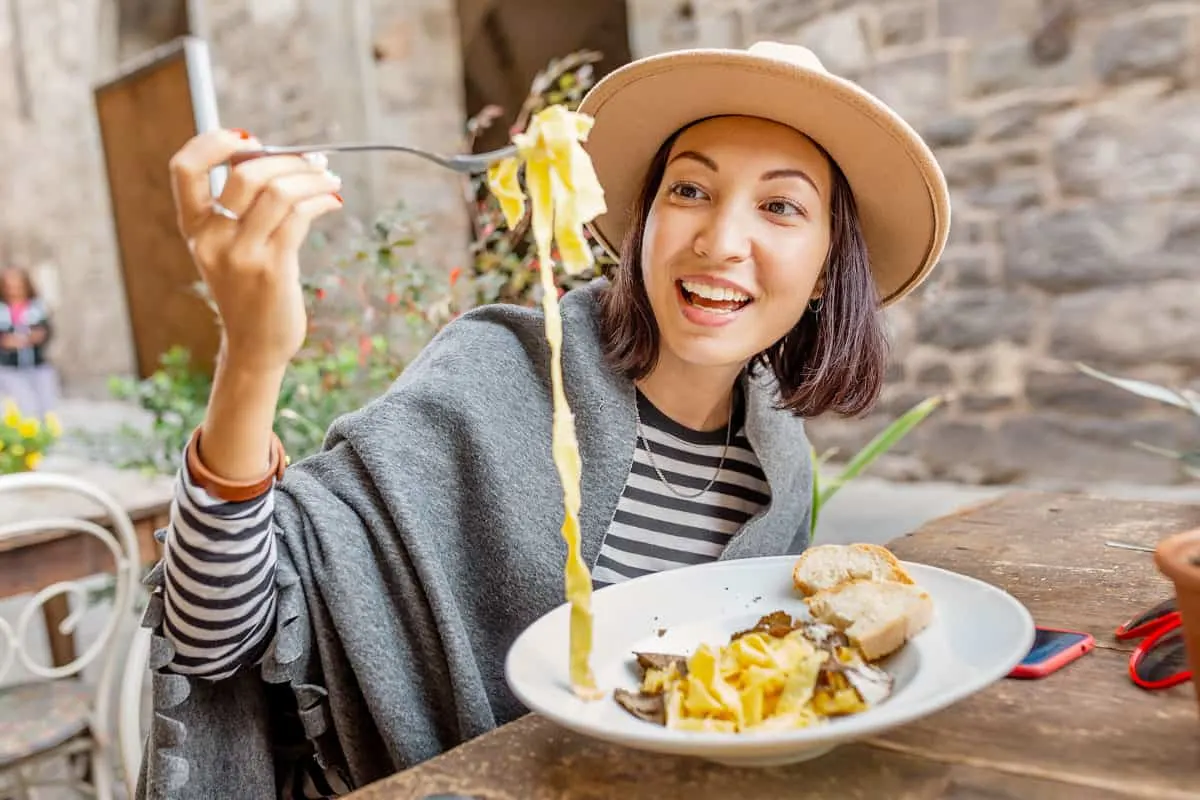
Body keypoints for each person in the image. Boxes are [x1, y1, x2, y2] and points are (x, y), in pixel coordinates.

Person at [137, 41, 949, 799]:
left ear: (822, 274)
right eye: (690, 190)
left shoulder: (778, 467)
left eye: (779, 207)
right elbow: (215, 635)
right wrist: (253, 351)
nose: (721, 239)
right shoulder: (495, 375)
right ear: (638, 227)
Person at [0, 265, 59, 419]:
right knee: (26, 407)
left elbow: (48, 331)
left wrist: (39, 336)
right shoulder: (1, 310)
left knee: (48, 408)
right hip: (10, 368)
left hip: (37, 365)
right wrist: (5, 342)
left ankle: (45, 438)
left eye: (18, 286)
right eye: (10, 286)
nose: (14, 290)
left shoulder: (37, 307)